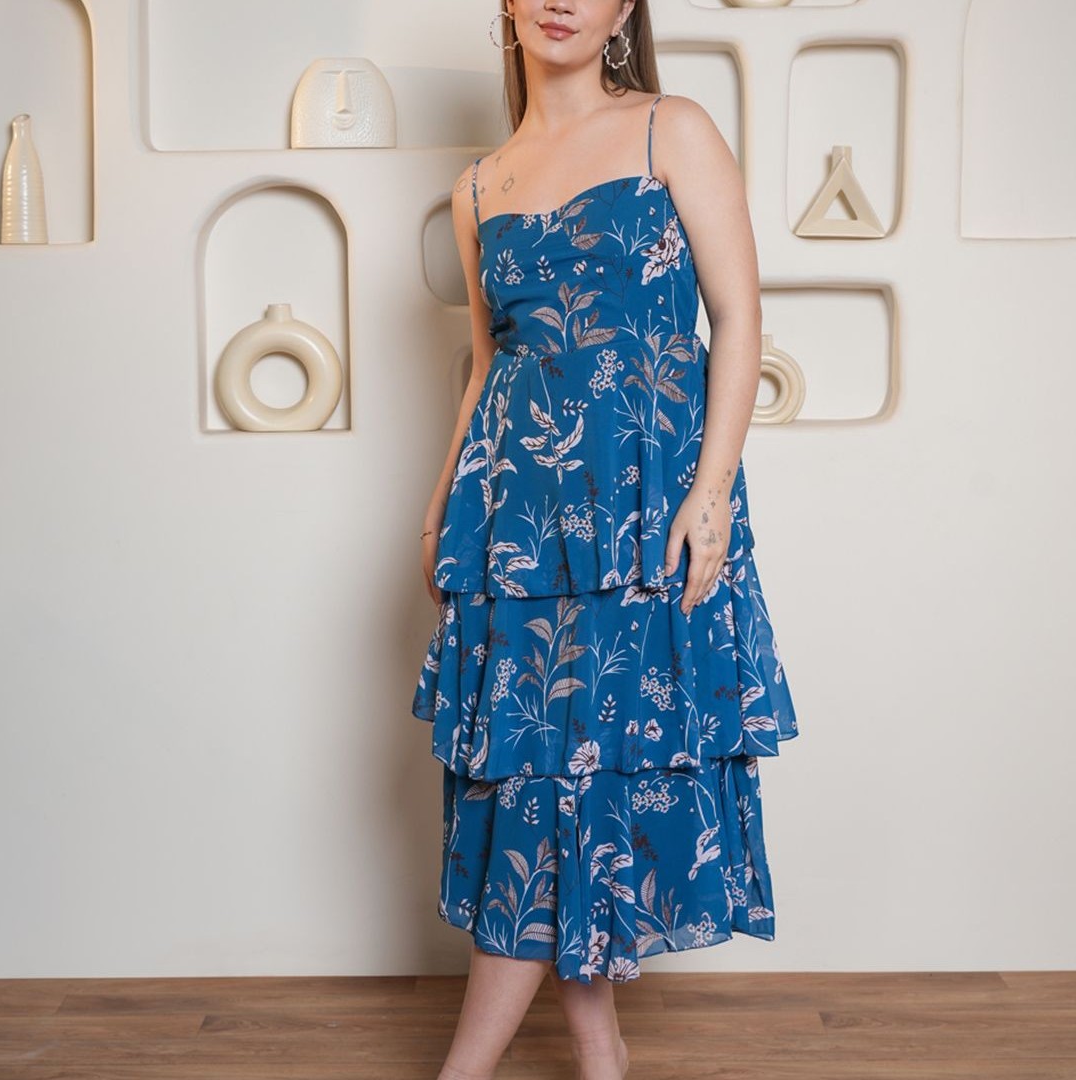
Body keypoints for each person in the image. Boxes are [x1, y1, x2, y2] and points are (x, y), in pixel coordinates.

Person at [411, 2, 801, 1077]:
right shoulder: (476, 187)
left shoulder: (671, 128)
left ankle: (468, 1070)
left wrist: (710, 495)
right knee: (544, 776)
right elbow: (488, 370)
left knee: (575, 776)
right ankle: (599, 1050)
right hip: (516, 521)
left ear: (624, 8)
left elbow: (738, 316)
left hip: (642, 509)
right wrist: (443, 506)